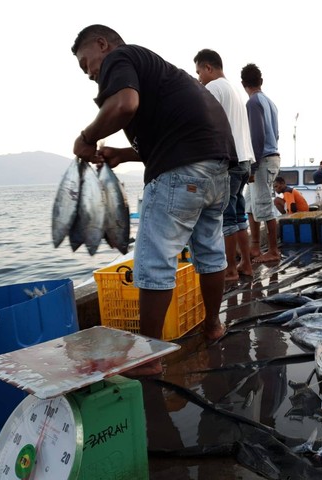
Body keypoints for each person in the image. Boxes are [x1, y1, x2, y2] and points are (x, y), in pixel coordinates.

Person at [71, 25, 236, 376]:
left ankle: (148, 358)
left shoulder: (122, 56)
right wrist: (123, 153)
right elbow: (171, 135)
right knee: (209, 251)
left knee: (153, 261)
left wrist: (85, 138)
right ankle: (212, 326)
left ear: (102, 44)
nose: (91, 75)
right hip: (218, 168)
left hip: (182, 169)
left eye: (88, 64)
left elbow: (124, 104)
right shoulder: (164, 74)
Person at [194, 49, 255, 282]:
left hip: (228, 161)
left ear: (209, 68)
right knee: (239, 215)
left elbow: (203, 123)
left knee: (227, 218)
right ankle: (246, 264)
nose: (199, 78)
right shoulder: (234, 91)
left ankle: (230, 268)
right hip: (244, 160)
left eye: (199, 72)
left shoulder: (213, 88)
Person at [241, 63, 281, 263]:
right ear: (261, 81)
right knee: (250, 204)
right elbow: (276, 133)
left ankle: (273, 250)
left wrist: (252, 166)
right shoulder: (269, 102)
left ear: (243, 84)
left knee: (264, 205)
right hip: (272, 156)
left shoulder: (253, 103)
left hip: (262, 160)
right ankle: (255, 246)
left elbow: (257, 136)